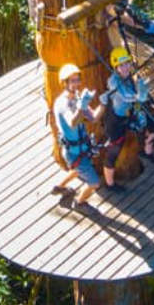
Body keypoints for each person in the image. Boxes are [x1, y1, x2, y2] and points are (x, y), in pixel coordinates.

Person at [50, 63, 102, 214]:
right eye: (72, 81)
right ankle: (79, 202)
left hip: (81, 148)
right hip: (73, 152)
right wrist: (81, 105)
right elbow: (72, 122)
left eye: (77, 80)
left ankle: (59, 186)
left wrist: (104, 104)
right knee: (94, 183)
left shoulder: (78, 98)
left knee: (79, 170)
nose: (76, 84)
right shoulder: (62, 103)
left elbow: (93, 118)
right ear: (65, 83)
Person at [103, 46, 154, 171]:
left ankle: (147, 151)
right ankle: (110, 183)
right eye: (121, 65)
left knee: (152, 127)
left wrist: (140, 88)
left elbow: (134, 96)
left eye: (127, 63)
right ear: (115, 67)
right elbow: (125, 96)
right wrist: (139, 95)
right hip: (117, 119)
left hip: (132, 111)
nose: (126, 67)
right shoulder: (113, 81)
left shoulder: (129, 76)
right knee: (115, 149)